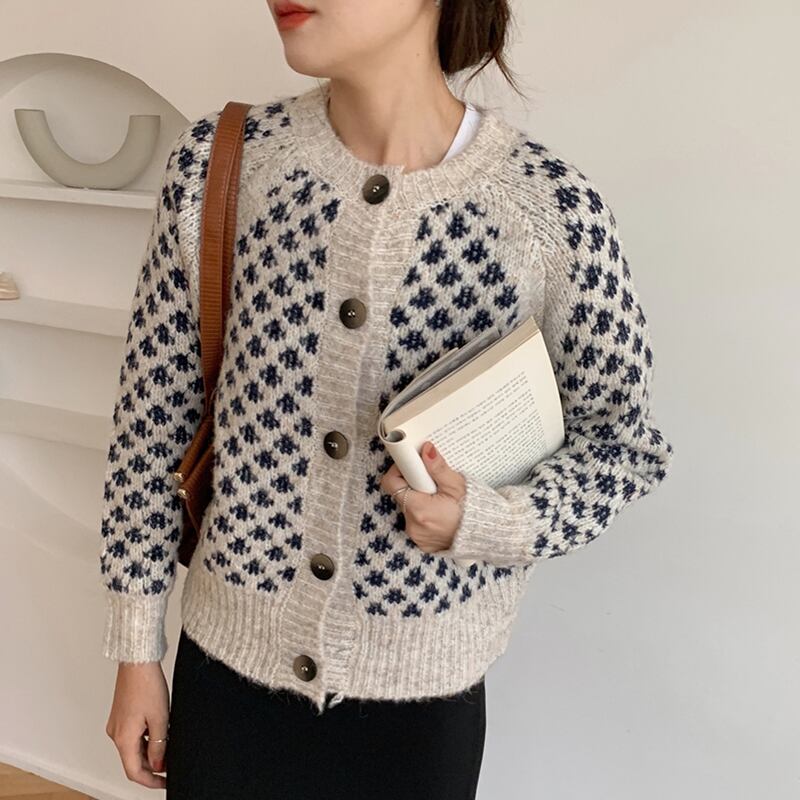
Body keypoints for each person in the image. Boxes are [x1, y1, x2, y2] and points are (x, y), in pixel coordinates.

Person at [100, 0, 675, 797]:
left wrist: (490, 521)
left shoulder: (549, 211)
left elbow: (623, 447)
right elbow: (149, 426)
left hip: (420, 715)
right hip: (225, 682)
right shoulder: (222, 165)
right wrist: (136, 649)